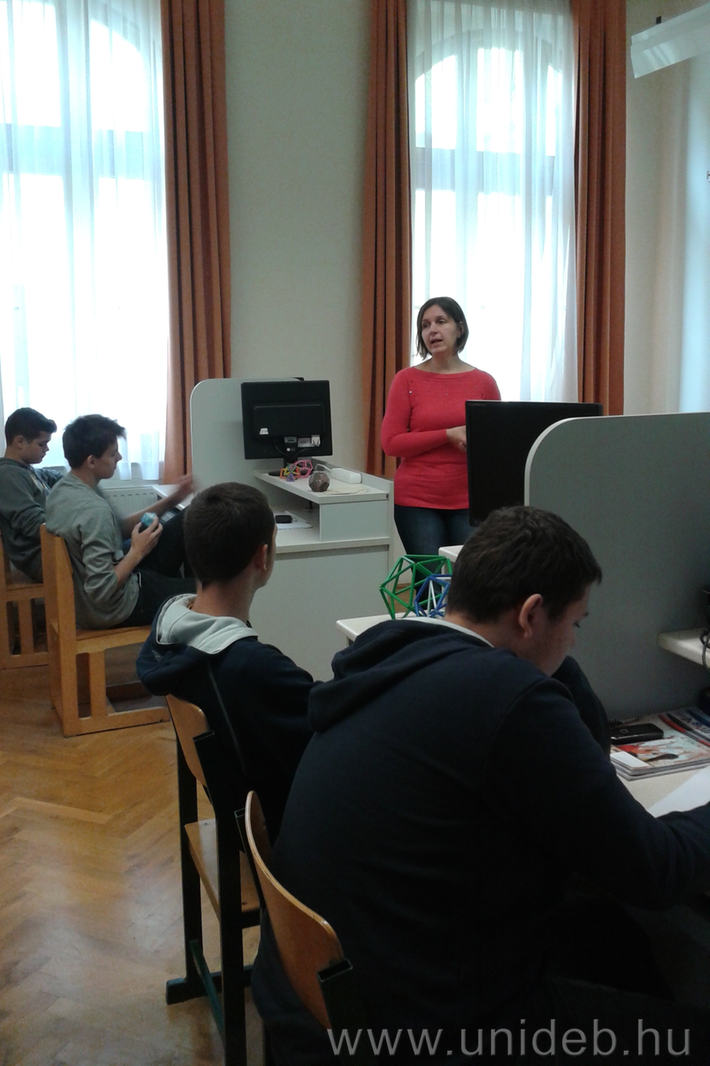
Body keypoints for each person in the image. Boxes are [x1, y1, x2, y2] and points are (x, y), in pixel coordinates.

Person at [253, 506, 710, 1065]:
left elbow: (584, 761)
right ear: (531, 614)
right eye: (576, 625)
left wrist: (542, 660)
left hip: (321, 999)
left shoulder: (396, 656)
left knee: (610, 933)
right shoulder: (506, 697)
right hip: (417, 1033)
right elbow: (656, 870)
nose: (574, 642)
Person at [136, 482, 315, 836]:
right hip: (280, 835)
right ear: (262, 557)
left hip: (238, 817)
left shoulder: (171, 630)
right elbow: (326, 723)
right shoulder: (252, 667)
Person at [45, 414, 194, 629]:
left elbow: (118, 528)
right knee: (213, 592)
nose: (120, 457)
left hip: (113, 587)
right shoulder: (93, 510)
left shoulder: (64, 489)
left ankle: (190, 596)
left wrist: (173, 499)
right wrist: (137, 551)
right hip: (117, 606)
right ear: (91, 461)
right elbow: (101, 590)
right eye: (113, 453)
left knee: (191, 516)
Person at [381, 296, 500, 555]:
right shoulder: (406, 380)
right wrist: (447, 435)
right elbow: (391, 443)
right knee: (432, 577)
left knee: (470, 576)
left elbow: (495, 444)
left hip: (470, 501)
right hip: (416, 501)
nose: (432, 330)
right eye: (425, 325)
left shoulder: (484, 383)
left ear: (460, 328)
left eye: (441, 322)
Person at [0, 407, 63, 581]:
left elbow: (63, 479)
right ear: (20, 442)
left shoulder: (27, 470)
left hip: (53, 548)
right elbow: (34, 524)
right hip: (42, 557)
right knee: (111, 556)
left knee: (116, 550)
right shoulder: (6, 476)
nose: (47, 449)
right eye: (41, 444)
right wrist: (77, 527)